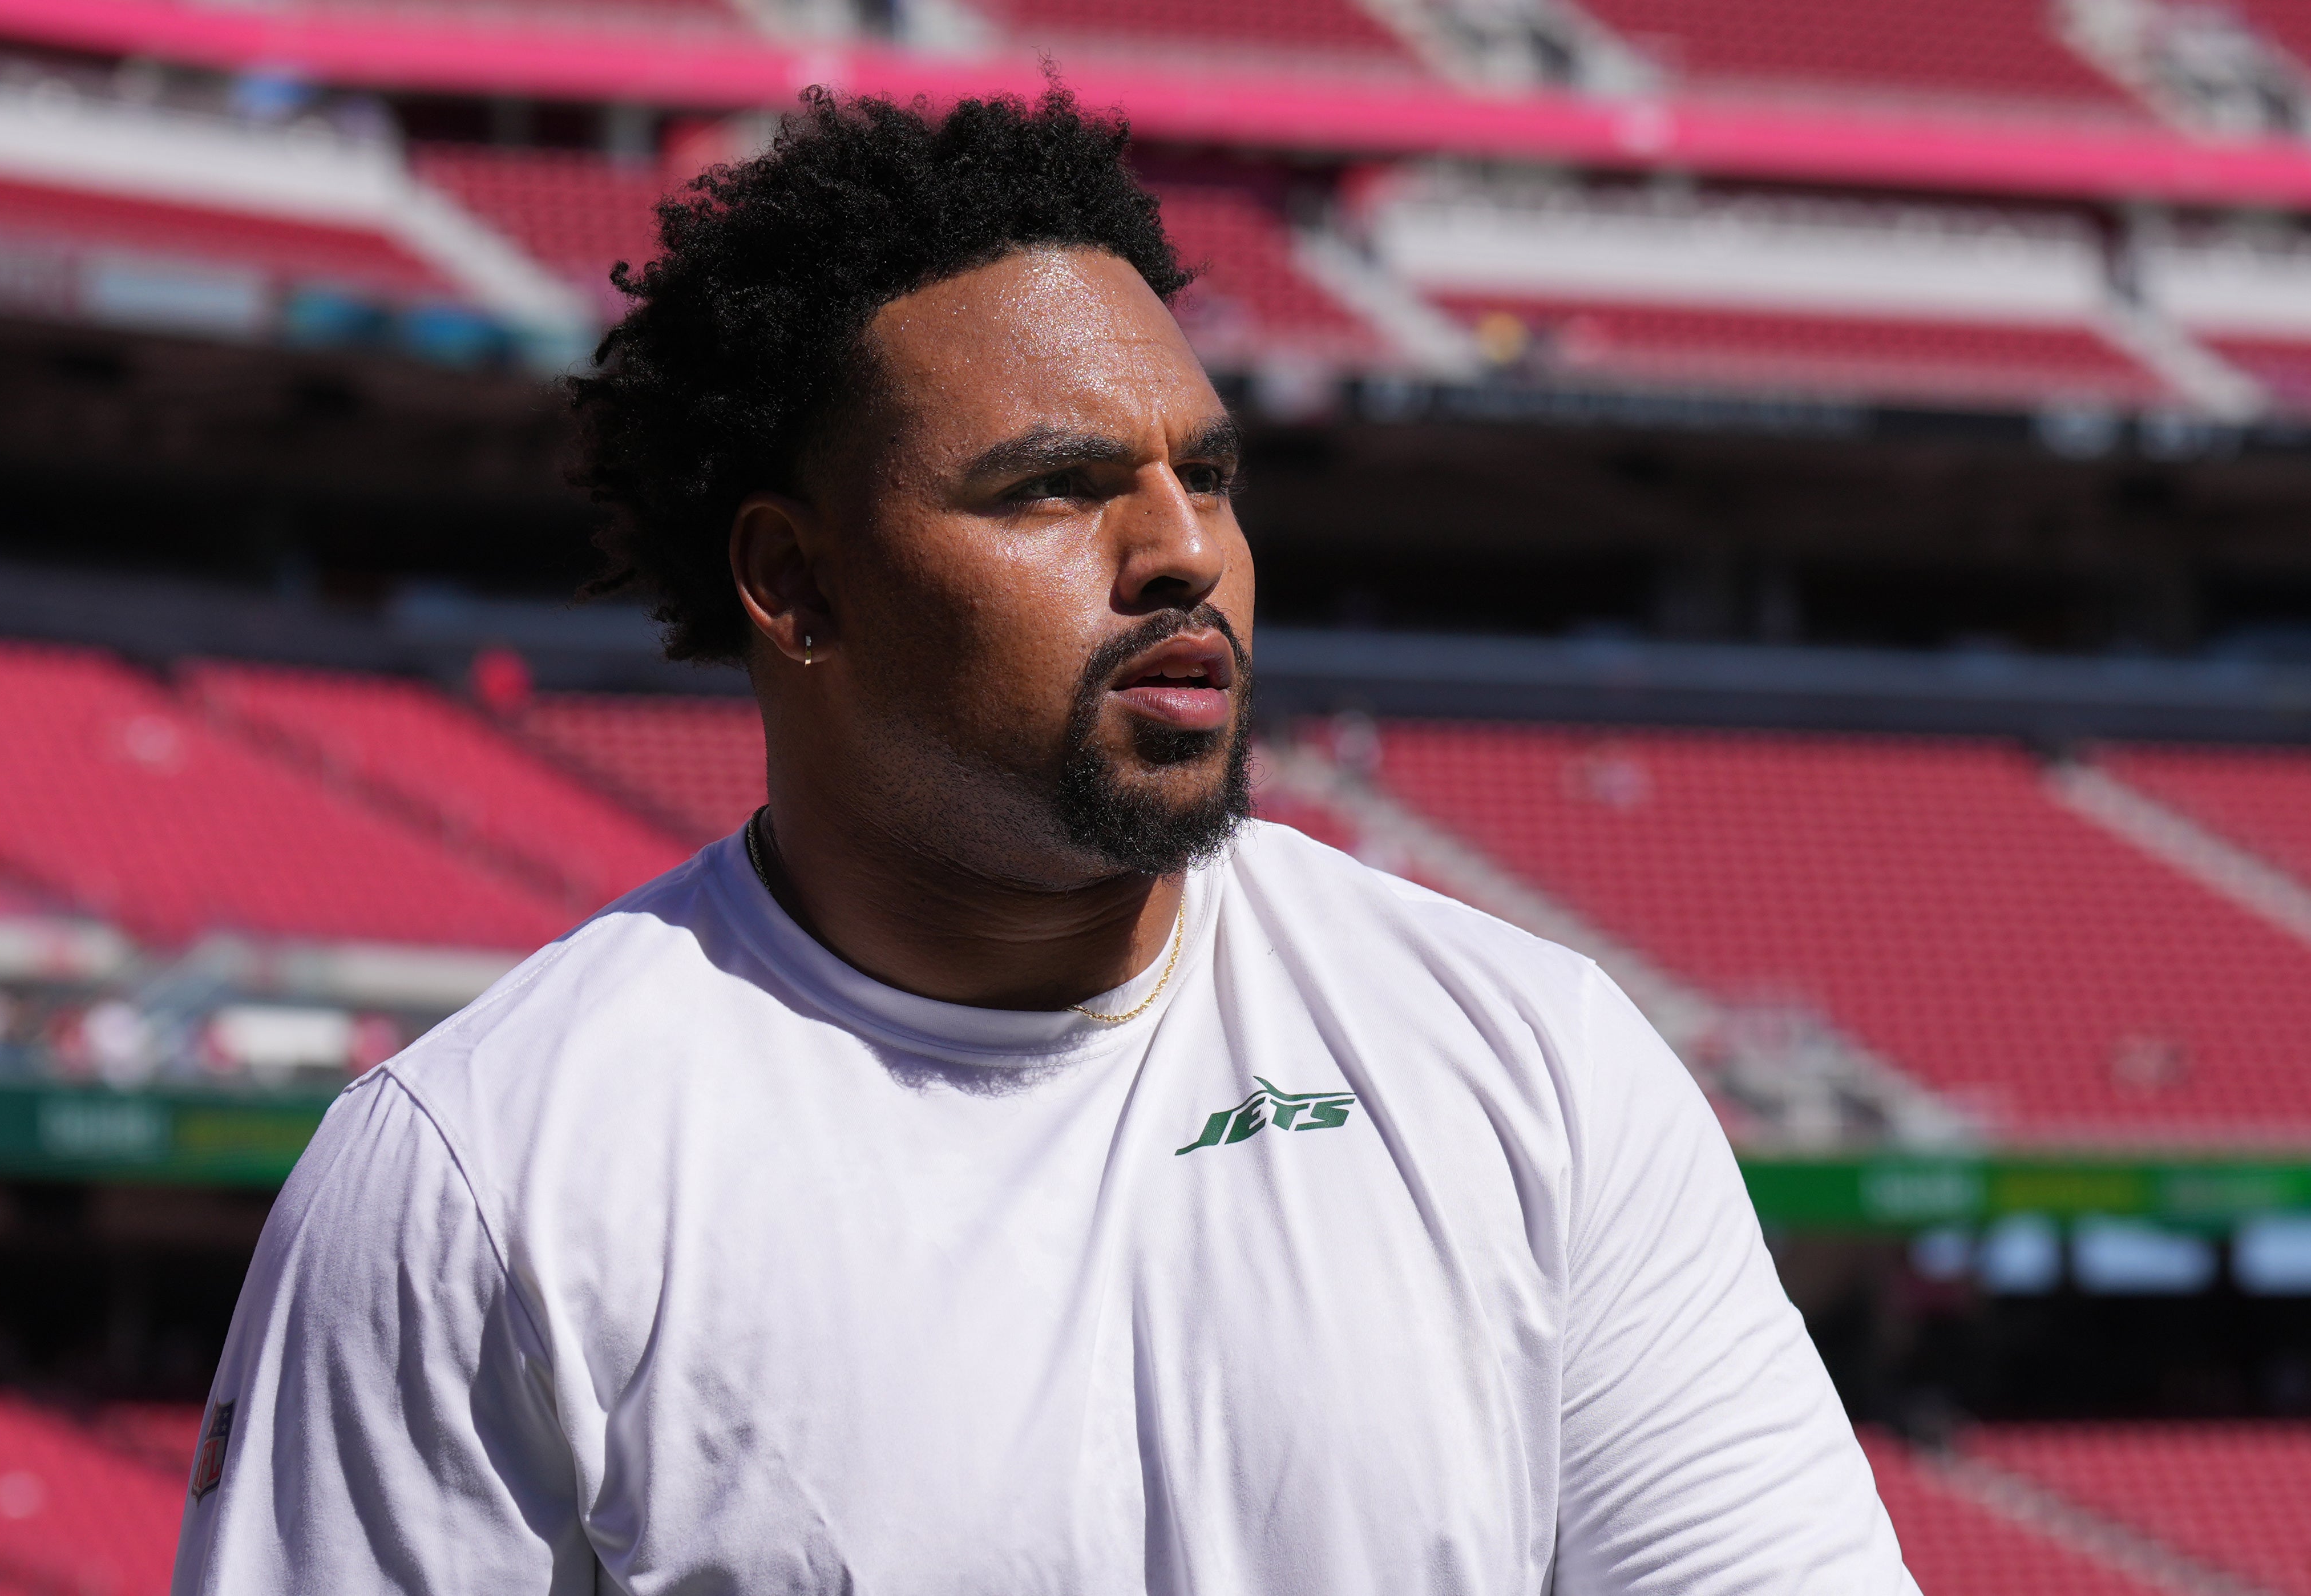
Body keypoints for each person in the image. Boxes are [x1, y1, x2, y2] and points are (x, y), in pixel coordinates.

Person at [172, 87, 1917, 1594]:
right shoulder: (485, 1175)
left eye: (1205, 477)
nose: (1182, 553)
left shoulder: (1532, 1065)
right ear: (792, 581)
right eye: (1053, 488)